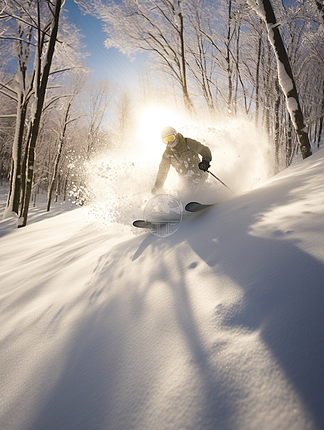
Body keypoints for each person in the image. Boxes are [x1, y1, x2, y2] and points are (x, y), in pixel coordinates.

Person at [151, 126, 212, 195]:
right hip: (186, 182)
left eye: (171, 138)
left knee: (200, 188)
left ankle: (207, 196)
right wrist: (157, 187)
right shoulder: (167, 154)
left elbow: (205, 150)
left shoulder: (188, 143)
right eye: (166, 140)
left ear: (176, 136)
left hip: (200, 175)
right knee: (188, 192)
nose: (170, 142)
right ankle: (191, 202)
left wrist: (205, 161)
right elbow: (162, 172)